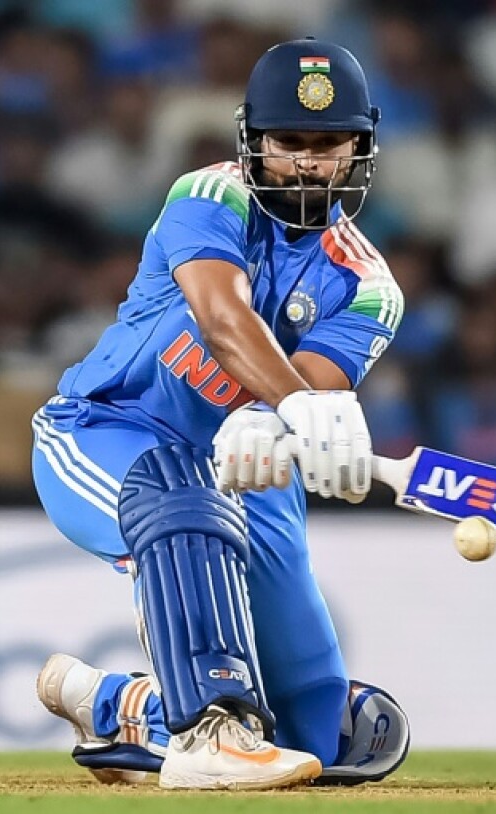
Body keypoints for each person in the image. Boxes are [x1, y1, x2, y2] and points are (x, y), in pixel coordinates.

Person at [30, 39, 409, 791]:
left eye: (327, 145)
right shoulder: (210, 195)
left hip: (249, 475)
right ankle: (207, 734)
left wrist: (286, 418)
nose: (307, 162)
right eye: (289, 142)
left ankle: (122, 704)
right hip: (108, 432)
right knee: (184, 500)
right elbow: (221, 316)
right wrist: (301, 407)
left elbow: (311, 376)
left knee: (317, 735)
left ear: (357, 150)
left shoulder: (370, 286)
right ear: (252, 141)